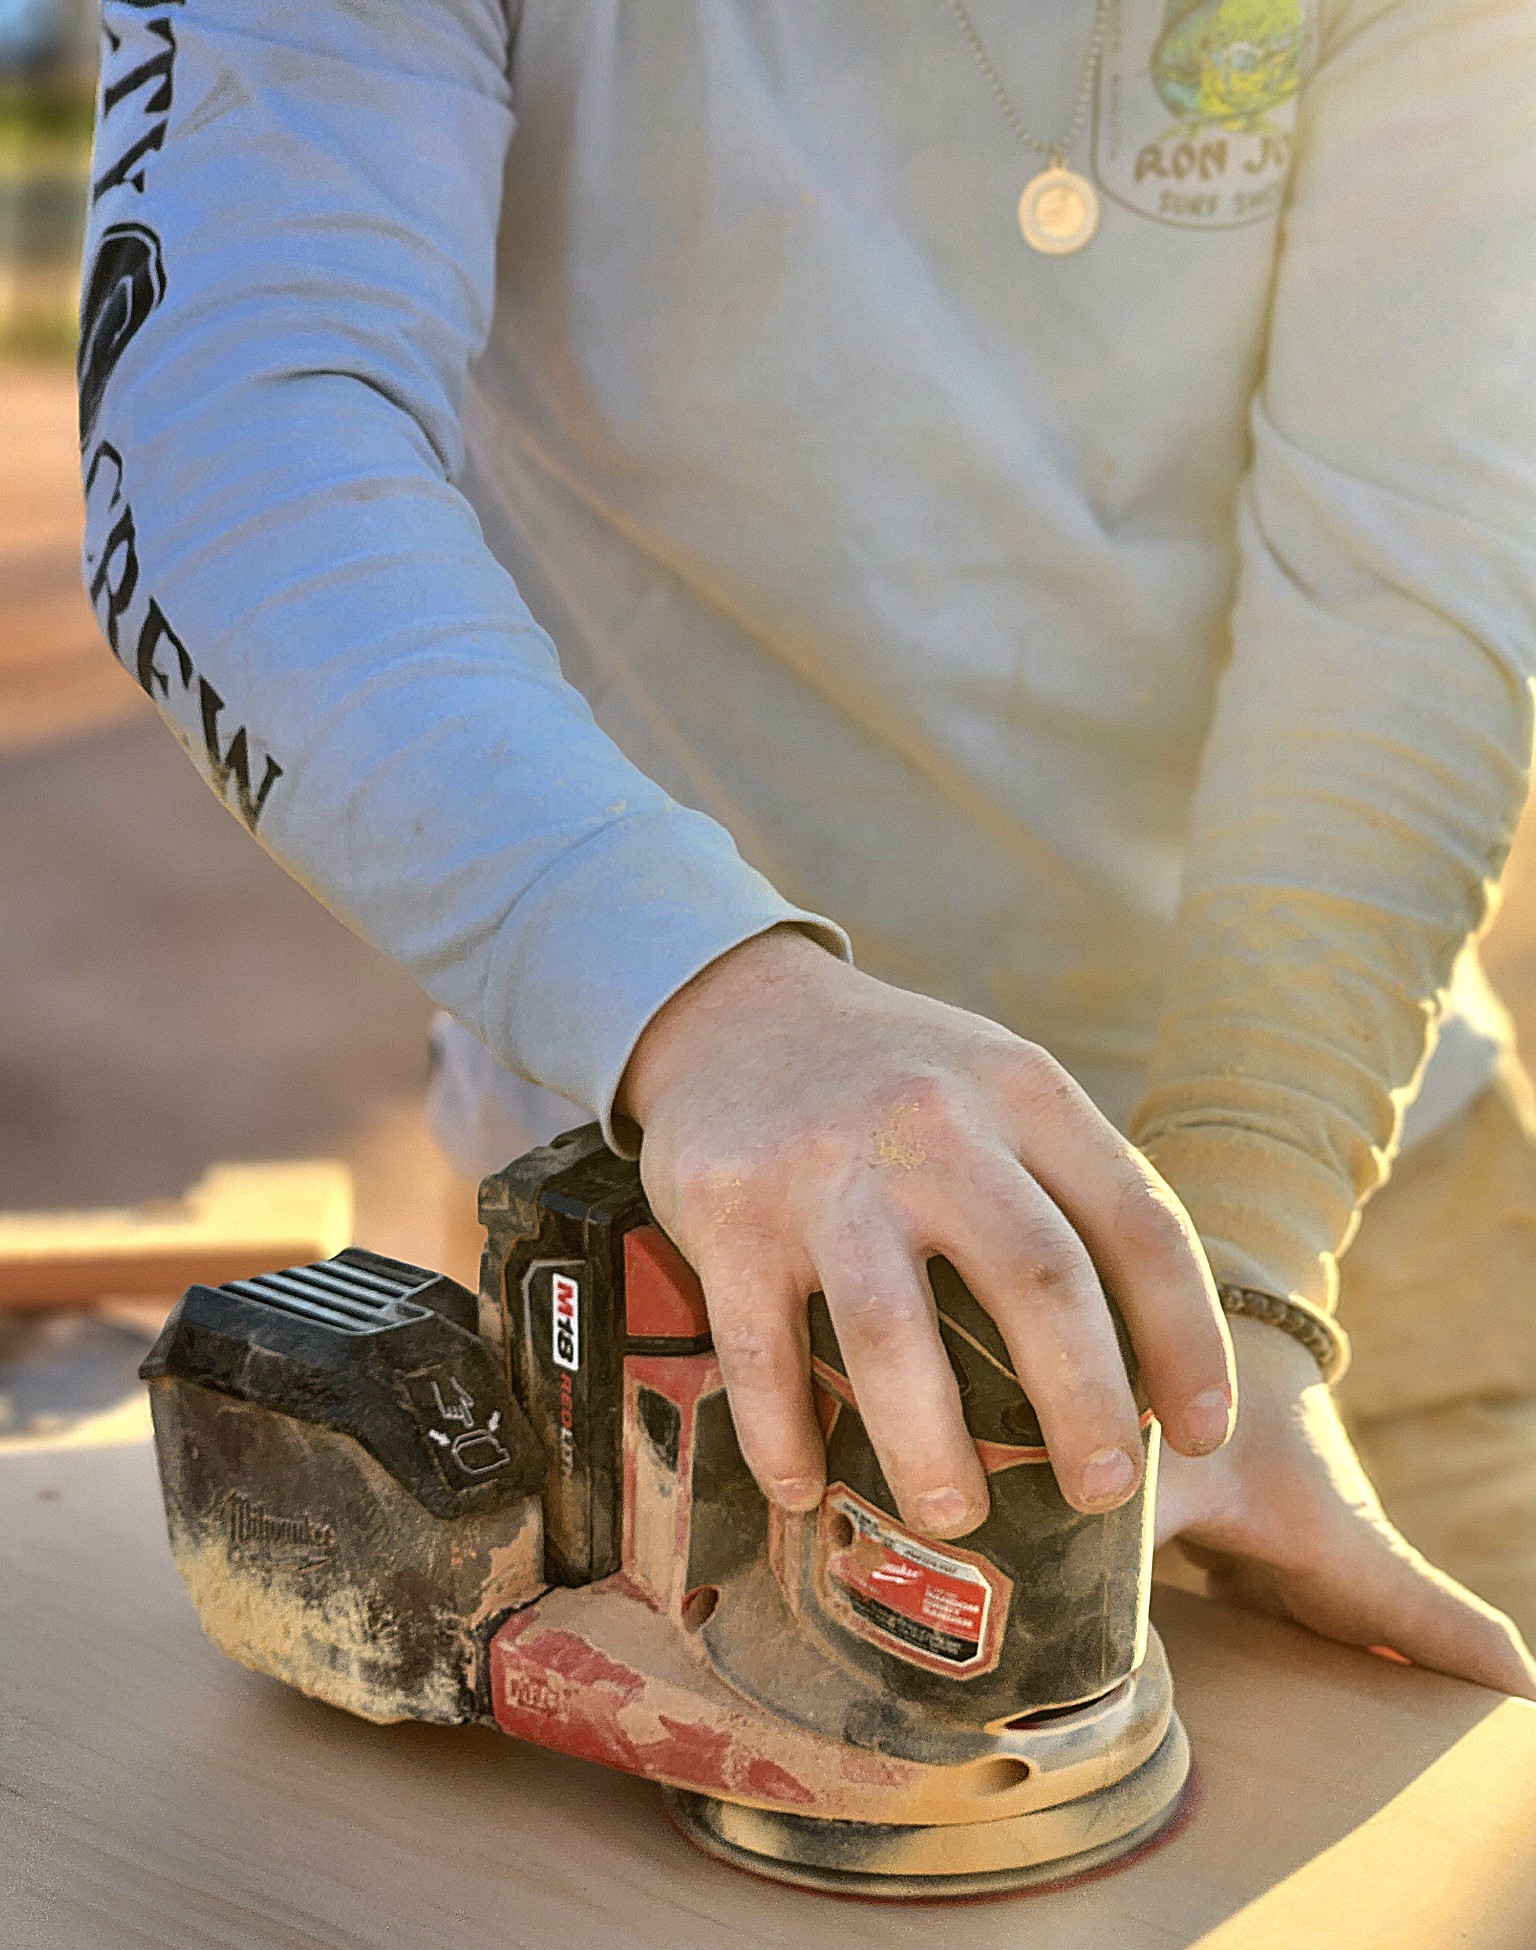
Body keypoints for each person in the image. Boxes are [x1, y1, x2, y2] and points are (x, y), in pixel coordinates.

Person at [78, 0, 1536, 1693]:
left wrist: (1237, 1262)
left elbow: (1409, 588)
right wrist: (715, 1006)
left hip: (1341, 1217)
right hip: (679, 1247)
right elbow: (236, 412)